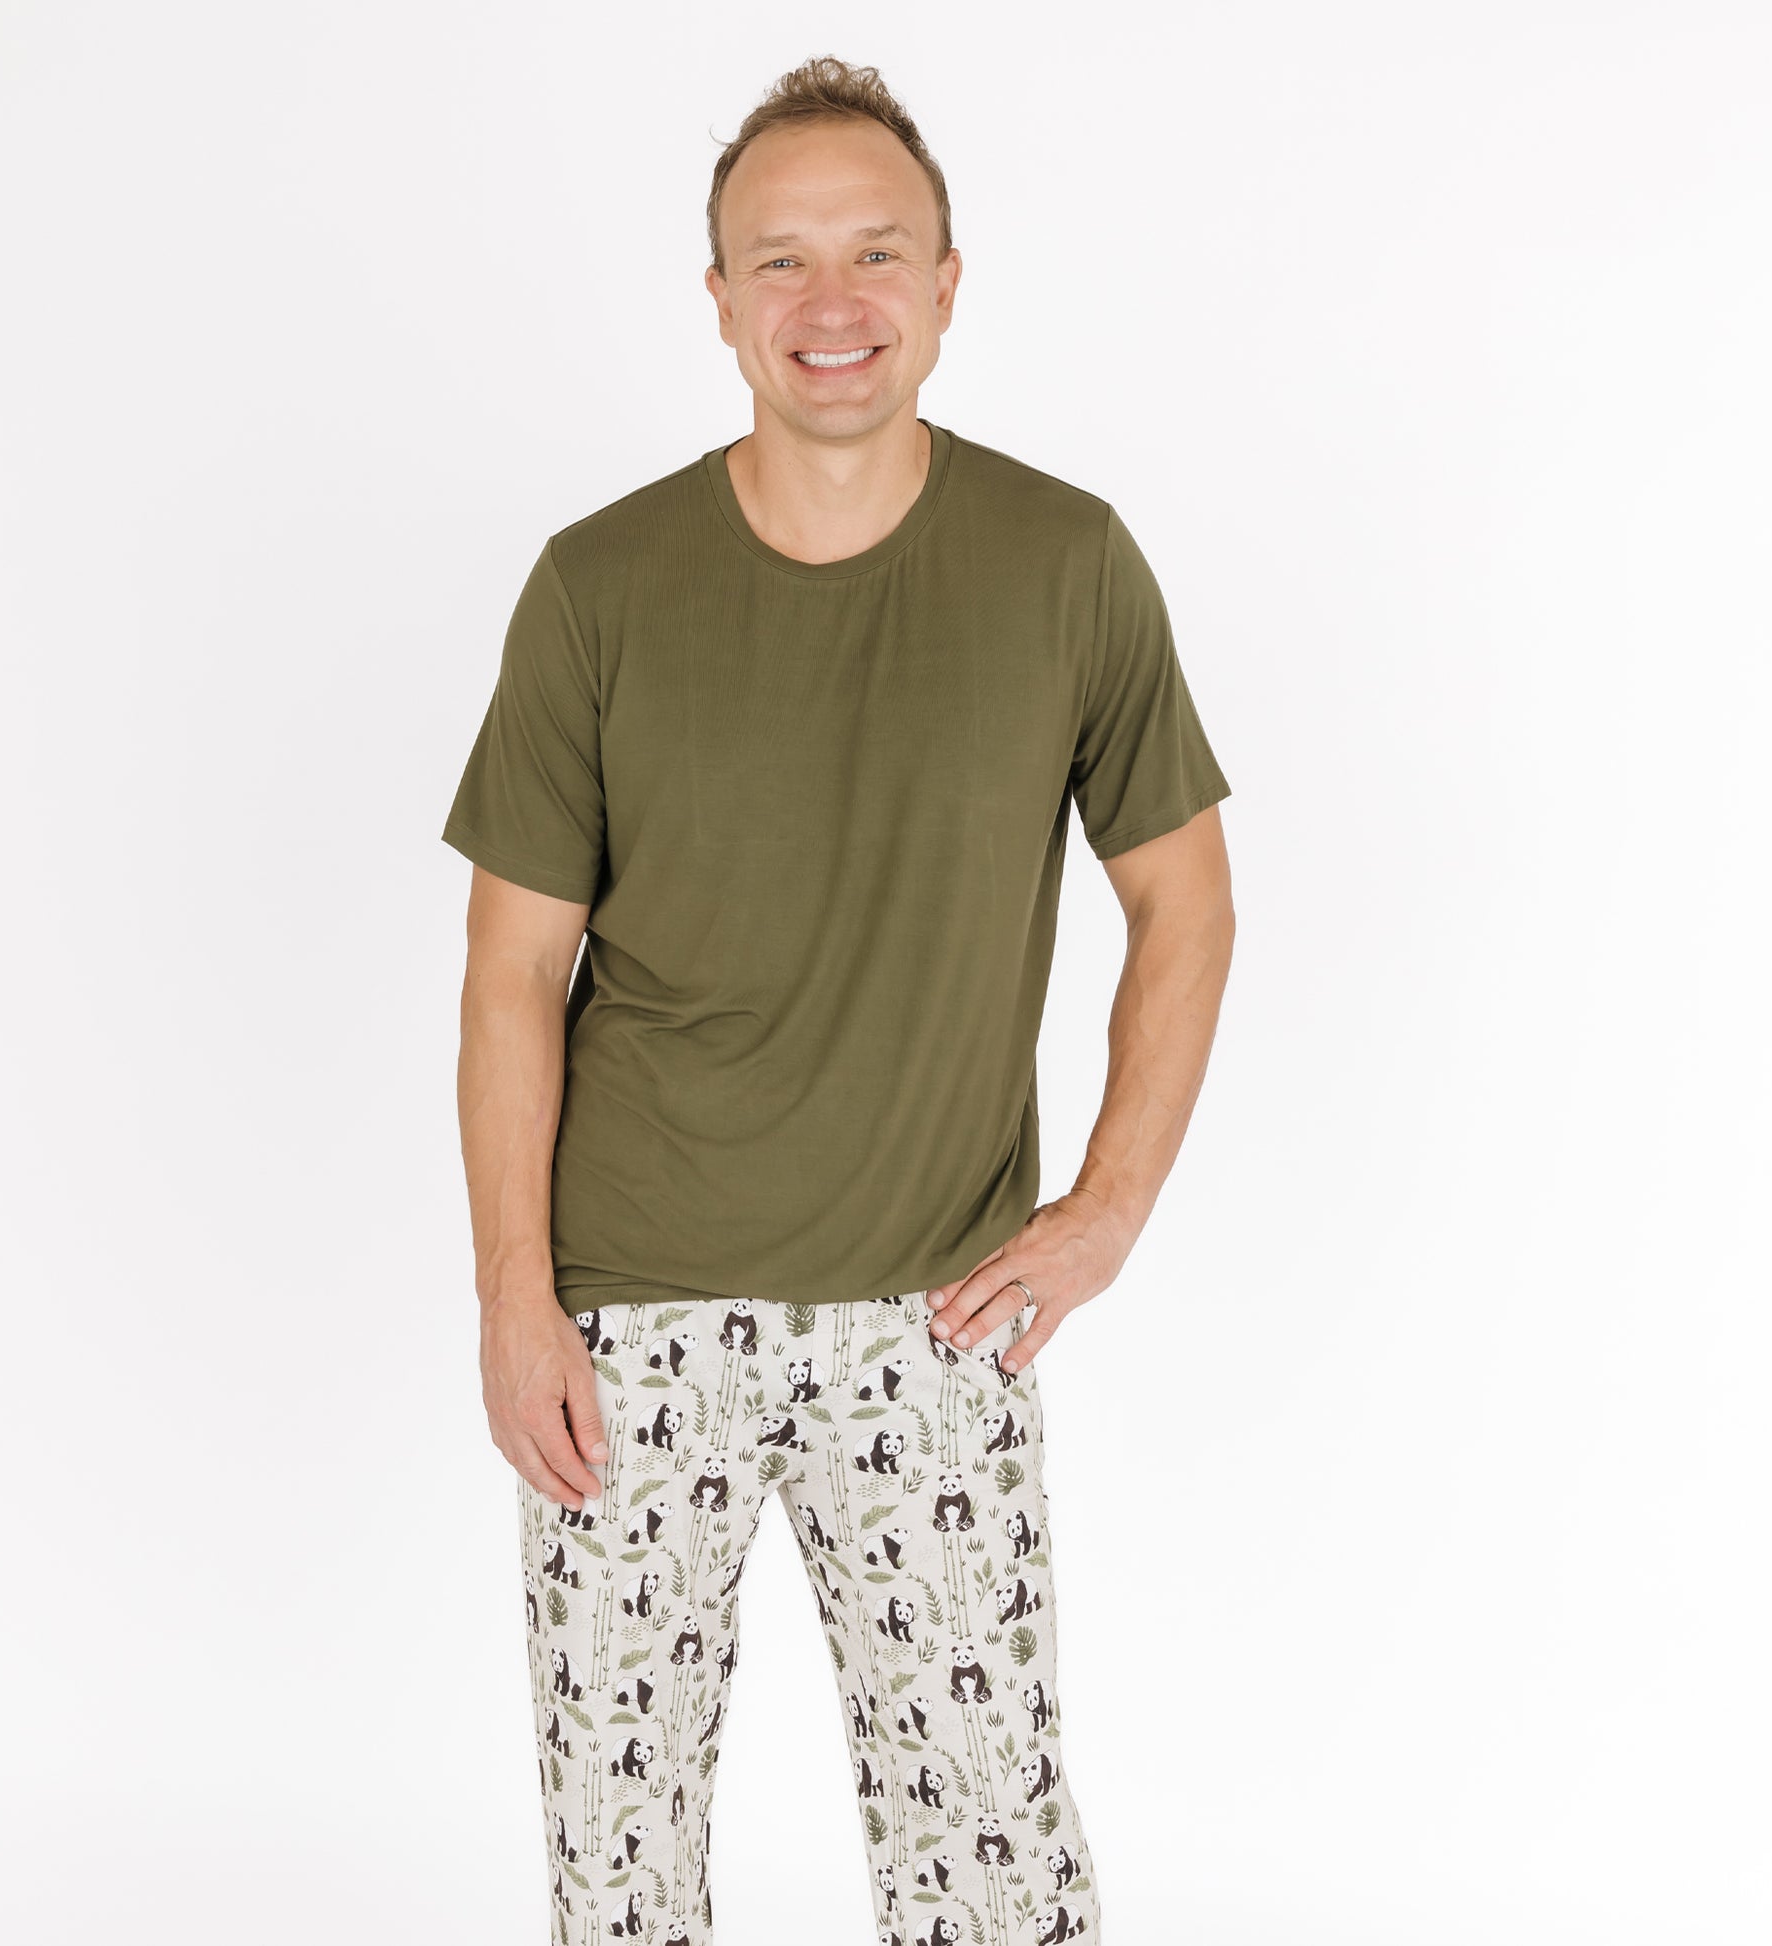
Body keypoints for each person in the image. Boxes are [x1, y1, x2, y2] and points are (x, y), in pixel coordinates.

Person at [441, 55, 1234, 1945]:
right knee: (619, 1874)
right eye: (779, 262)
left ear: (948, 281)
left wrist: (1104, 1214)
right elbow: (509, 973)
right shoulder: (598, 587)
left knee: (992, 1869)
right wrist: (511, 1298)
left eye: (874, 253)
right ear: (717, 298)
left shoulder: (1064, 565)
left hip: (933, 1314)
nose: (830, 304)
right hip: (632, 1326)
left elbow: (1183, 906)